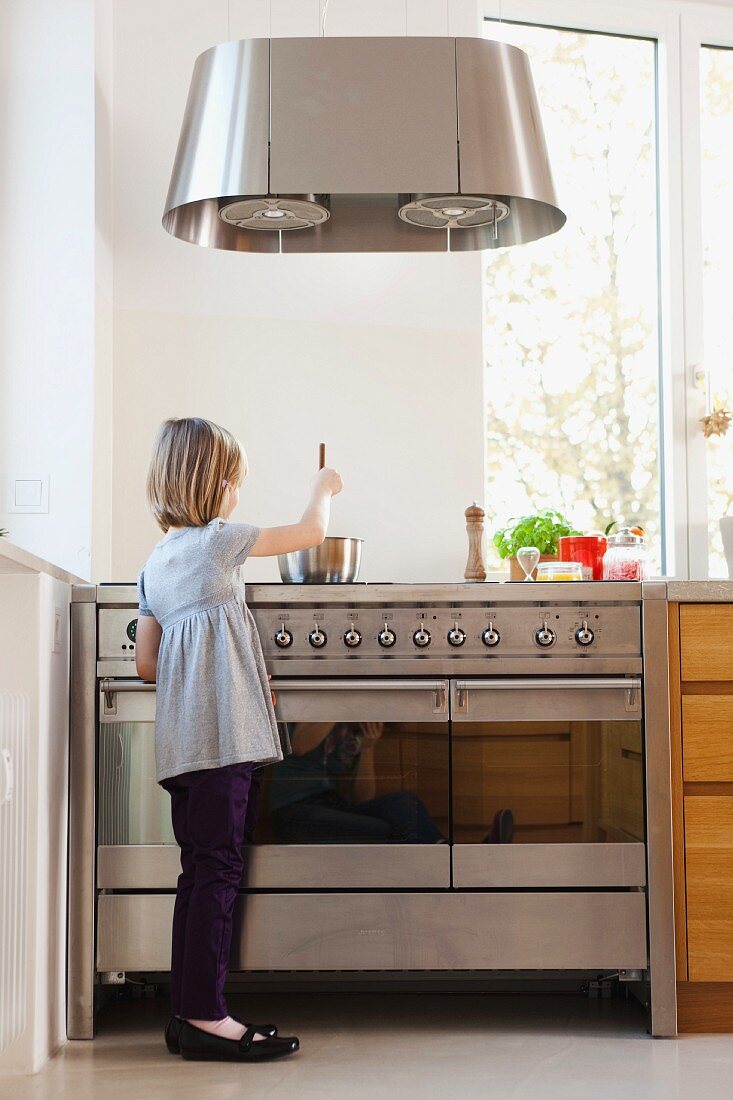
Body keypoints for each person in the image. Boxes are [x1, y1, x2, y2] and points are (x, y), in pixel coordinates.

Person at [134, 417, 342, 1063]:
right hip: (223, 741)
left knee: (197, 872)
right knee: (221, 870)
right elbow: (311, 534)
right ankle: (207, 1016)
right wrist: (325, 486)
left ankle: (186, 1013)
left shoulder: (156, 561)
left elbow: (148, 663)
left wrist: (222, 657)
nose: (235, 494)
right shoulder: (217, 541)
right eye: (234, 482)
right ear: (216, 484)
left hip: (181, 747)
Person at [268, 721, 514, 845]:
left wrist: (369, 747)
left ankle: (449, 858)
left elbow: (362, 798)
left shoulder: (353, 739)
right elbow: (299, 745)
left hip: (332, 808)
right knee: (386, 833)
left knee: (405, 803)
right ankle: (460, 865)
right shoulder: (318, 710)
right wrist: (346, 697)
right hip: (295, 811)